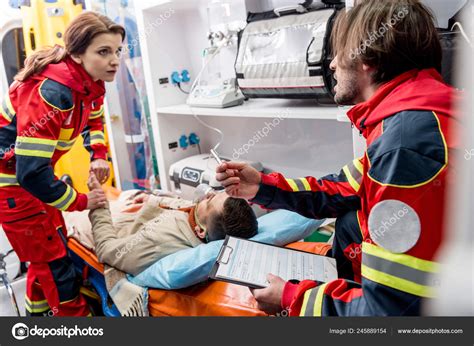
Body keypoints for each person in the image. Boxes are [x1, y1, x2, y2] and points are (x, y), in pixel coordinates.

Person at [216, 0, 460, 316]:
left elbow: (388, 312)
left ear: (366, 59)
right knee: (348, 218)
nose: (331, 65)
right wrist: (260, 186)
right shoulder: (424, 116)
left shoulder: (404, 146)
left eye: (338, 53)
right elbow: (342, 188)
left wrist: (293, 297)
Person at [0, 12, 125, 316]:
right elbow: (30, 173)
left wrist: (97, 154)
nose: (115, 61)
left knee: (47, 259)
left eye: (118, 51)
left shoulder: (89, 83)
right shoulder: (52, 92)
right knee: (59, 272)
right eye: (104, 52)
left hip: (33, 180)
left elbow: (93, 116)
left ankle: (37, 318)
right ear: (78, 54)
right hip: (13, 187)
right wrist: (82, 201)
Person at [86, 172, 258, 276]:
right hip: (140, 207)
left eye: (209, 200)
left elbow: (106, 248)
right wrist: (153, 199)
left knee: (74, 213)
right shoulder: (199, 222)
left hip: (114, 224)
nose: (207, 194)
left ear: (200, 231)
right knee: (128, 193)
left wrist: (99, 202)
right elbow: (187, 208)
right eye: (216, 192)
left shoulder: (155, 243)